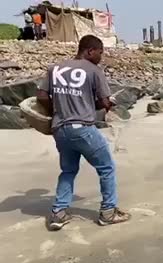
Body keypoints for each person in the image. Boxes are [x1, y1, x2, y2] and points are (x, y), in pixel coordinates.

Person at [37, 35, 131, 231]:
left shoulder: (55, 68)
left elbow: (42, 96)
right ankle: (108, 212)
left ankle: (58, 213)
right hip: (83, 129)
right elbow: (104, 103)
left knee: (68, 171)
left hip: (60, 130)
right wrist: (109, 103)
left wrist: (57, 109)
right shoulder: (94, 70)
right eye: (100, 53)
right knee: (106, 168)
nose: (101, 57)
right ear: (90, 51)